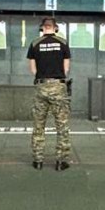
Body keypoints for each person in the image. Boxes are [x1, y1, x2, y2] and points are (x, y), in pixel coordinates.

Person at [27, 17, 72, 170]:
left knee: (39, 125)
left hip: (41, 85)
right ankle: (60, 161)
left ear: (42, 28)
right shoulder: (63, 43)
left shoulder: (35, 43)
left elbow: (33, 69)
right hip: (58, 86)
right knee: (62, 125)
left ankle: (38, 160)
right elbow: (66, 68)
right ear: (55, 27)